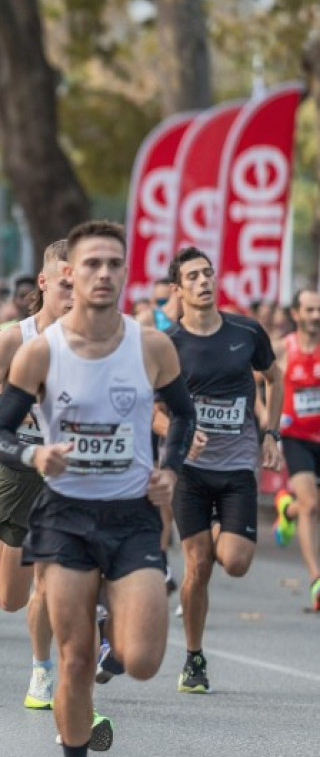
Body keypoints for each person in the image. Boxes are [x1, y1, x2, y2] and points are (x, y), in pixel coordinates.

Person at [0, 220, 194, 756]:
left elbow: (185, 418)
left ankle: (118, 650)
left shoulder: (152, 347)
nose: (103, 274)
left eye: (114, 264)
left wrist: (169, 468)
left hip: (132, 516)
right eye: (91, 264)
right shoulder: (40, 352)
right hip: (66, 519)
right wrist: (37, 453)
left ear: (126, 272)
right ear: (69, 275)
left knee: (142, 660)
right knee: (75, 658)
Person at [155, 247, 281, 693]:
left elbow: (274, 376)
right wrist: (177, 427)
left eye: (208, 273)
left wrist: (272, 434)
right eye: (193, 276)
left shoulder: (246, 331)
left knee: (236, 561)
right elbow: (153, 410)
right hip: (189, 472)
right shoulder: (169, 344)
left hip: (238, 469)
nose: (204, 281)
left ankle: (215, 530)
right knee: (198, 566)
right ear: (178, 289)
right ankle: (193, 657)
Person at [0, 240, 72, 709]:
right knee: (11, 598)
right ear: (44, 283)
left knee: (56, 581)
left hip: (71, 473)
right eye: (66, 283)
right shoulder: (13, 339)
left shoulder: (96, 342)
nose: (75, 293)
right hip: (20, 469)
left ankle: (44, 671)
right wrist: (21, 414)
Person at [275, 288, 320, 613]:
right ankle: (316, 577)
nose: (316, 316)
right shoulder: (284, 349)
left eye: (319, 310)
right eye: (309, 310)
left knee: (304, 505)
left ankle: (285, 510)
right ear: (296, 314)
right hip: (295, 438)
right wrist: (268, 417)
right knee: (311, 504)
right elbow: (261, 381)